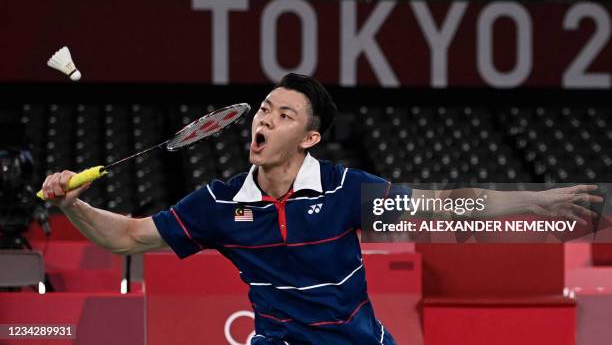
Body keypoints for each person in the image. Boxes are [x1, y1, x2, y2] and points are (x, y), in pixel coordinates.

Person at [42, 73, 601, 344]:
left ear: (309, 138)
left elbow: (451, 209)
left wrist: (537, 196)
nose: (264, 120)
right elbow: (130, 238)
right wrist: (73, 206)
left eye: (283, 115)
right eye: (264, 109)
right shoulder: (219, 203)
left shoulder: (343, 191)